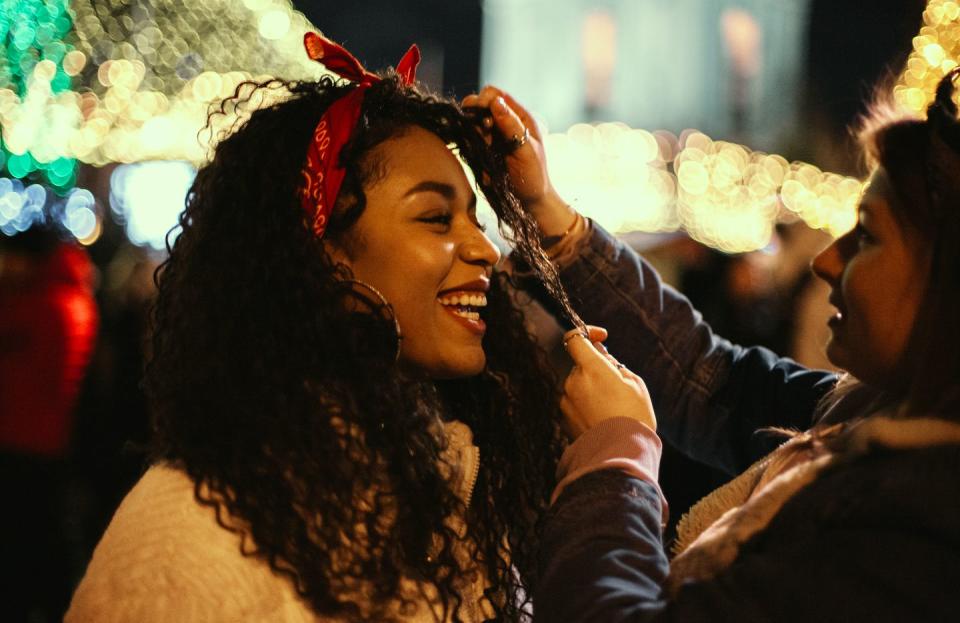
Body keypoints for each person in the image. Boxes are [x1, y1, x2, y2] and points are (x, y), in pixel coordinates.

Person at [66, 34, 581, 622]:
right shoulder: (194, 525)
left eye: (476, 217)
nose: (485, 249)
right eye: (436, 217)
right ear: (325, 257)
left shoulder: (463, 486)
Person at [463, 69, 960, 621]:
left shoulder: (920, 526)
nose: (824, 261)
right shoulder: (868, 413)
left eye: (865, 234)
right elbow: (711, 377)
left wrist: (614, 464)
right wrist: (550, 213)